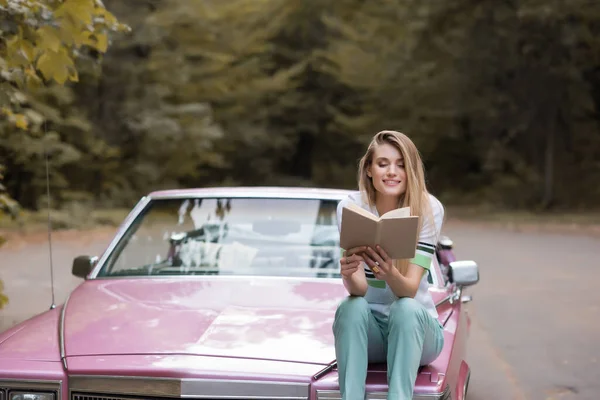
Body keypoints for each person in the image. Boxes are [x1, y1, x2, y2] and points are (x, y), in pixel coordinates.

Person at [333, 130, 445, 400]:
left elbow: (408, 290)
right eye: (383, 163)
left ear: (411, 171)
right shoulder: (350, 207)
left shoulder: (429, 209)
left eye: (401, 164)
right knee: (350, 306)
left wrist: (390, 272)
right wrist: (349, 275)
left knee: (405, 307)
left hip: (417, 334)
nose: (392, 171)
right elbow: (359, 290)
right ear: (369, 169)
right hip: (370, 333)